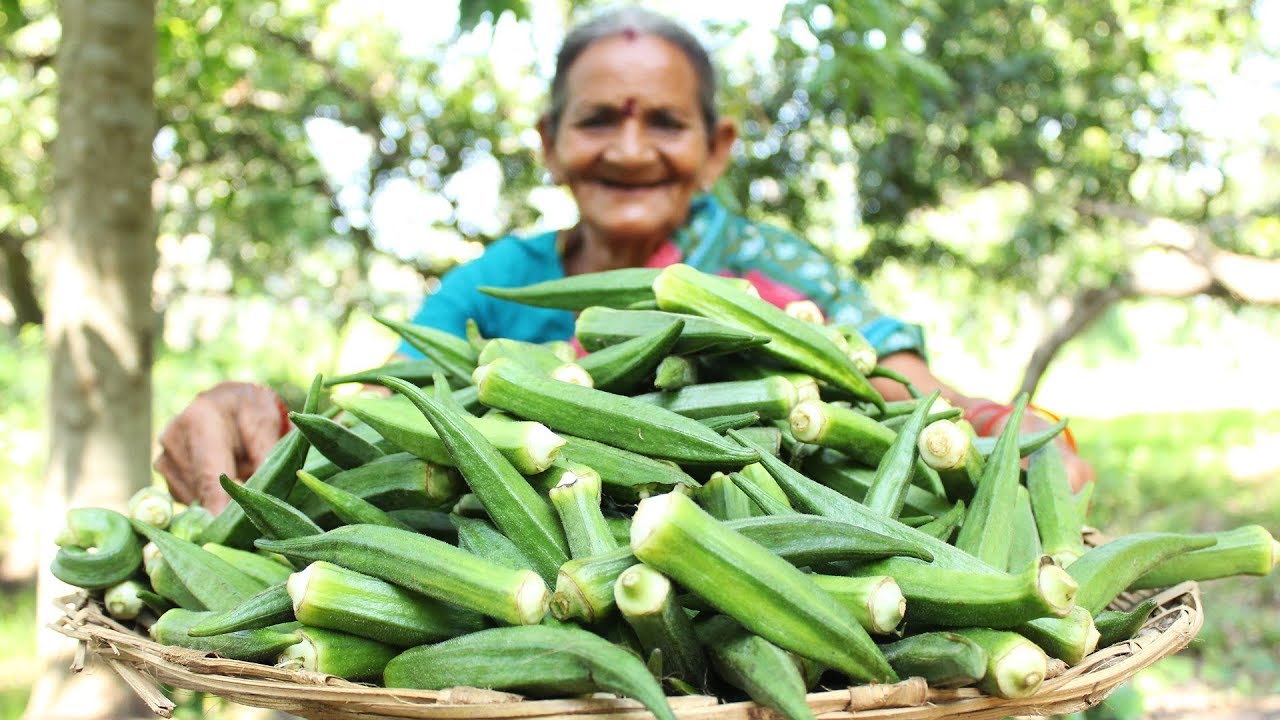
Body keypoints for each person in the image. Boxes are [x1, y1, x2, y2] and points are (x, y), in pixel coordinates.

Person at [155, 7, 1094, 513]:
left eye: (667, 122)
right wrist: (255, 408)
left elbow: (895, 383)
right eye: (599, 119)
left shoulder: (767, 270)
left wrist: (1000, 433)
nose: (632, 149)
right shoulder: (498, 286)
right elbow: (380, 405)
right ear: (550, 143)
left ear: (719, 146)